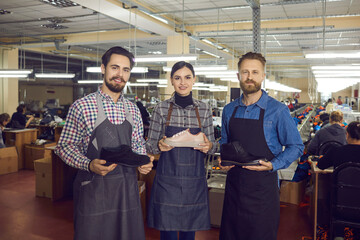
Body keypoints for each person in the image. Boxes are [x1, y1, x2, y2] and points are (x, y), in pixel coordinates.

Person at [55, 46, 154, 240]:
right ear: (103, 68)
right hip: (94, 190)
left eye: (126, 70)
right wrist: (88, 164)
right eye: (115, 67)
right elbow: (64, 146)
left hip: (127, 191)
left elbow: (137, 145)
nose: (120, 74)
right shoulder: (82, 106)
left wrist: (144, 162)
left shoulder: (133, 110)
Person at [218, 52, 304, 240]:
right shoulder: (229, 110)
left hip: (262, 191)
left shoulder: (278, 111)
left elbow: (296, 146)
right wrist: (222, 159)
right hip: (234, 189)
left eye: (255, 72)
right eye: (245, 72)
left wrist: (274, 164)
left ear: (263, 76)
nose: (250, 77)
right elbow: (225, 143)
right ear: (238, 76)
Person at [146, 61, 216, 240]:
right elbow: (150, 146)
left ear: (194, 80)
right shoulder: (161, 109)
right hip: (167, 181)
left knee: (188, 233)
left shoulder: (205, 109)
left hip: (194, 181)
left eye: (187, 77)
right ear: (171, 80)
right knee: (167, 233)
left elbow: (212, 146)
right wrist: (159, 146)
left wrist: (209, 146)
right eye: (177, 78)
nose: (182, 82)